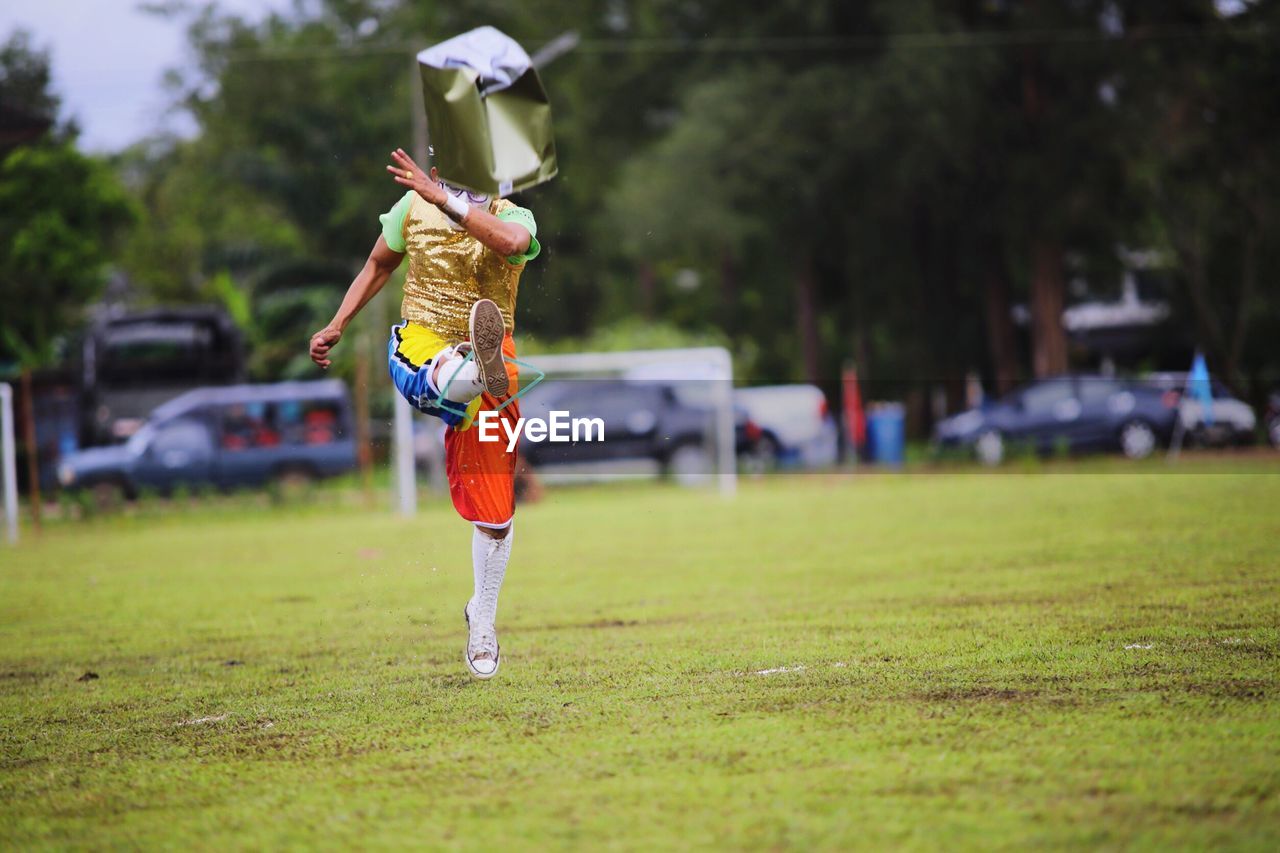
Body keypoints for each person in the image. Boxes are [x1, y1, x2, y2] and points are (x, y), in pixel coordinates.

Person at [309, 147, 541, 679]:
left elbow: (513, 246)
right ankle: (462, 370)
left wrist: (449, 203)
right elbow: (378, 264)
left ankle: (482, 615)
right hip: (420, 341)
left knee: (498, 518)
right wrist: (337, 323)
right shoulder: (410, 209)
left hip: (495, 359)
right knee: (441, 370)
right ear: (437, 170)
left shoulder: (513, 216)